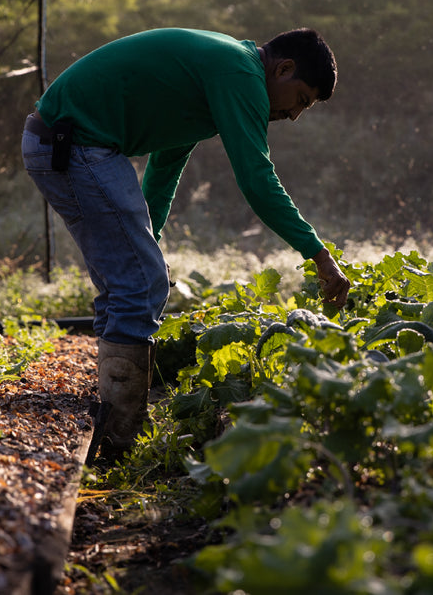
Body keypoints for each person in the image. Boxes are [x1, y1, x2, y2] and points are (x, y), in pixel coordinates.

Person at [21, 27, 351, 459]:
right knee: (139, 285)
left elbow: (165, 162)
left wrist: (149, 239)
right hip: (75, 144)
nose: (293, 116)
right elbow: (257, 180)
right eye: (301, 99)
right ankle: (121, 439)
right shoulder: (240, 73)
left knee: (134, 281)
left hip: (68, 142)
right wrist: (319, 256)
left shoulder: (223, 69)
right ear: (283, 68)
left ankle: (108, 415)